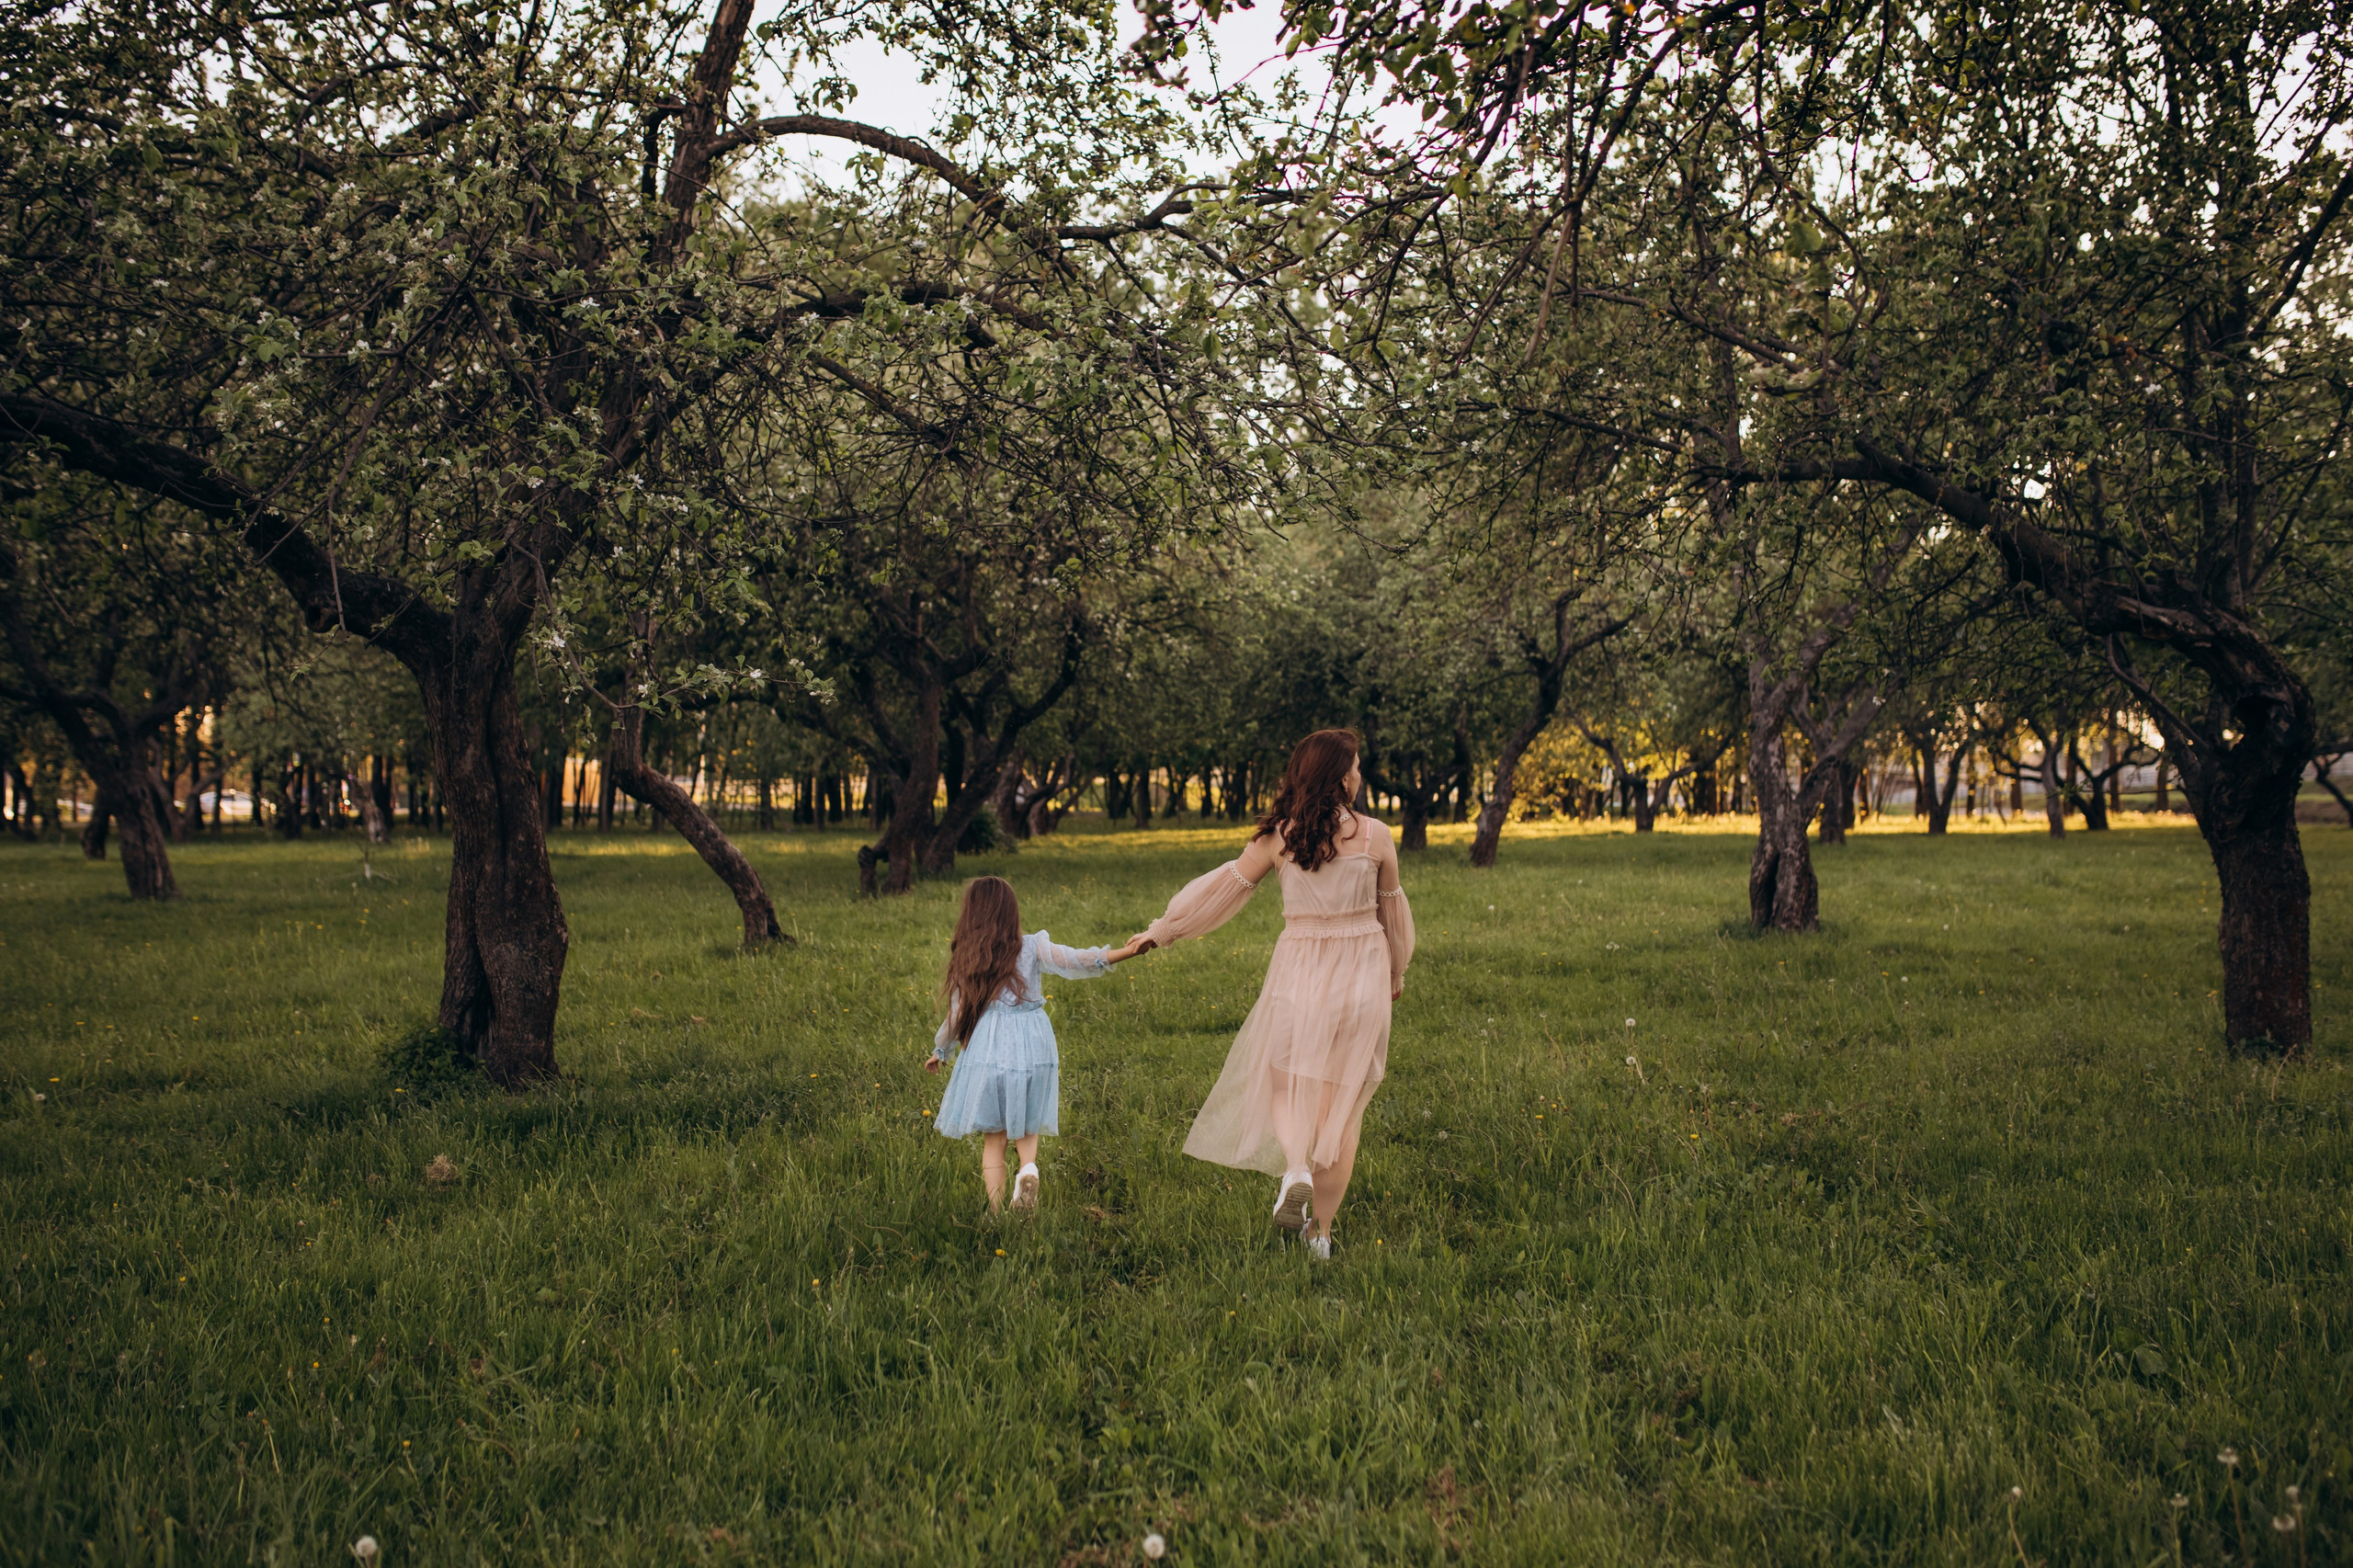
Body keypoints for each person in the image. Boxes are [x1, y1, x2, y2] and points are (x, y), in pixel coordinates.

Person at [1130, 729, 1414, 1258]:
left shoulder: (1280, 836)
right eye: (1355, 767)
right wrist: (1395, 973)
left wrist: (1164, 930)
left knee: (1282, 1084)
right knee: (1341, 1113)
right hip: (1361, 977)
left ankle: (1296, 1168)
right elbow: (1392, 910)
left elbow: (1223, 889)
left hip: (1300, 971)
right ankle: (1320, 1235)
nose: (1359, 775)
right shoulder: (1377, 836)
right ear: (1340, 777)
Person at [927, 875, 1144, 1212]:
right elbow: (1075, 959)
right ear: (1011, 912)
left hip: (990, 1049)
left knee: (994, 1138)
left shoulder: (970, 956)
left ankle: (996, 1212)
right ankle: (1028, 1169)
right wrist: (1126, 952)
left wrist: (941, 1049)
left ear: (972, 914)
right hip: (1033, 1045)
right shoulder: (1032, 946)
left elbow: (958, 1012)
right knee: (1028, 1124)